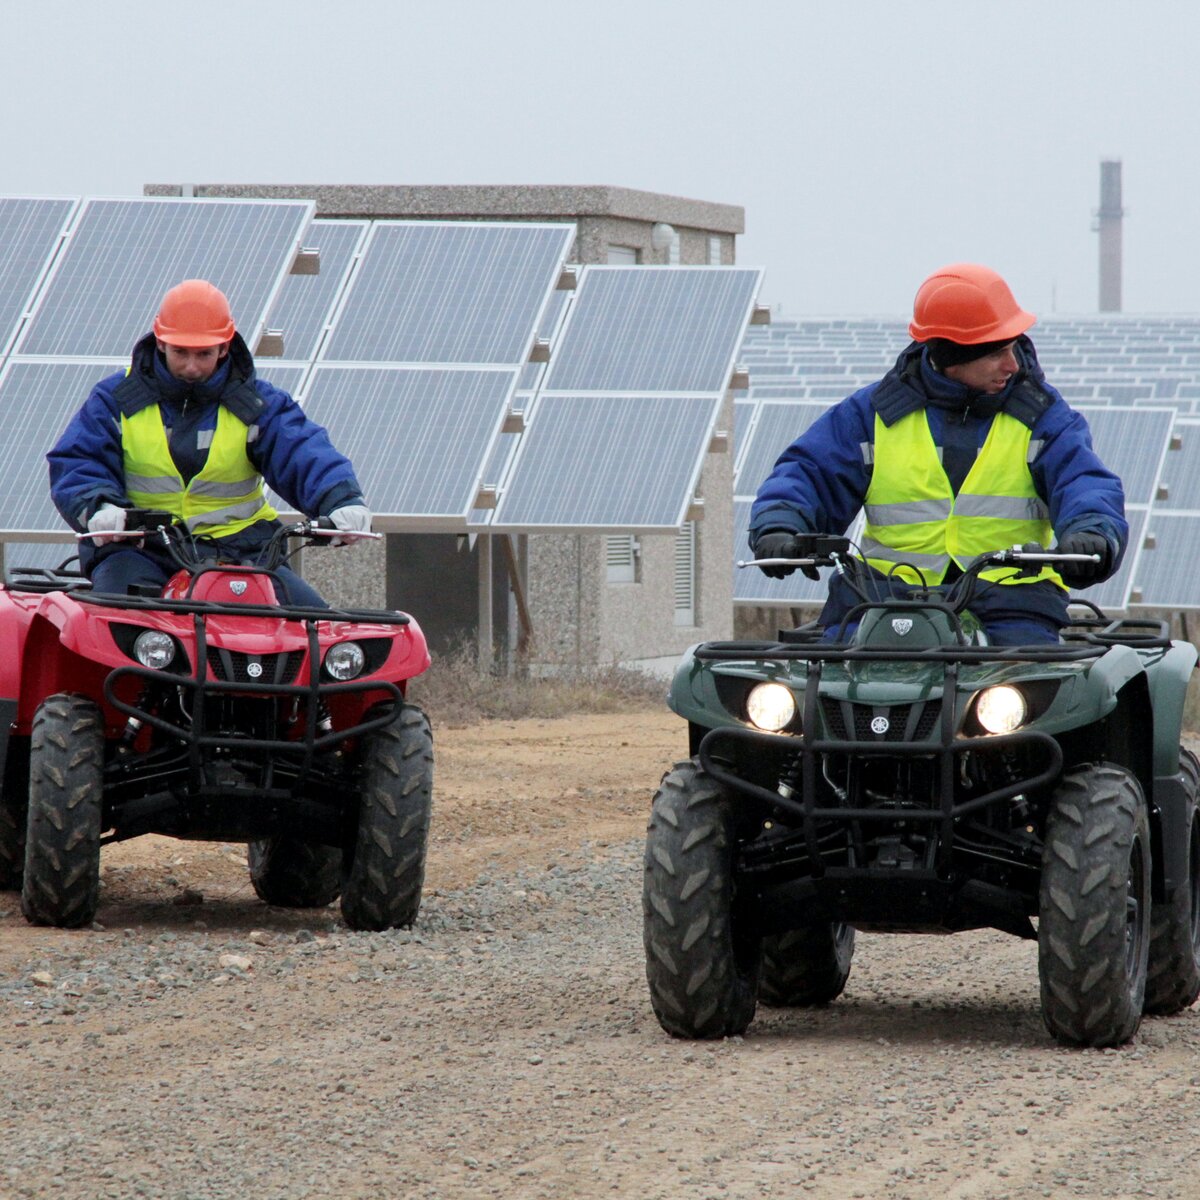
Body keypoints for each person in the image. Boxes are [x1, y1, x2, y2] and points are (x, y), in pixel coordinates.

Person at [748, 262, 1127, 645]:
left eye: (1013, 347)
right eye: (996, 353)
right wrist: (780, 524)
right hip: (881, 601)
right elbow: (809, 472)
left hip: (1011, 606)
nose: (1012, 365)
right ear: (952, 356)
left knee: (1040, 689)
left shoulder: (1045, 418)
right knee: (819, 688)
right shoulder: (871, 415)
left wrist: (1091, 533)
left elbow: (1083, 481)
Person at [48, 279, 371, 605]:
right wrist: (98, 507)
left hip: (246, 553)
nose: (191, 366)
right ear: (160, 343)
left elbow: (302, 450)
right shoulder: (115, 401)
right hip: (142, 551)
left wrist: (341, 500)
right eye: (180, 352)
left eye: (203, 354)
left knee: (311, 625)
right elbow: (78, 460)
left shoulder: (258, 405)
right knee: (117, 624)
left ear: (225, 346)